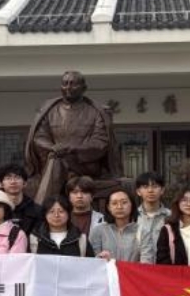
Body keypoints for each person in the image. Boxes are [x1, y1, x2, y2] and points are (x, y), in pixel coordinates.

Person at [24, 70, 124, 203]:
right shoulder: (50, 110)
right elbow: (39, 137)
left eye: (73, 84)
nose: (68, 88)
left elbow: (100, 143)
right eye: (65, 84)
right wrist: (53, 148)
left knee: (57, 160)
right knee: (56, 159)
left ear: (84, 88)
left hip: (85, 165)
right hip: (54, 159)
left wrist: (71, 148)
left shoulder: (96, 112)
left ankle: (41, 209)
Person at [134, 171, 170, 264]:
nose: (150, 190)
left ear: (162, 190)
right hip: (137, 268)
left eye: (155, 186)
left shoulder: (171, 217)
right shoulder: (132, 217)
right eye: (145, 187)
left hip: (164, 268)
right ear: (138, 191)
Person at [0, 163, 44, 234]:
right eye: (8, 178)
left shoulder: (37, 210)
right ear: (1, 184)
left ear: (25, 183)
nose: (13, 182)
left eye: (17, 177)